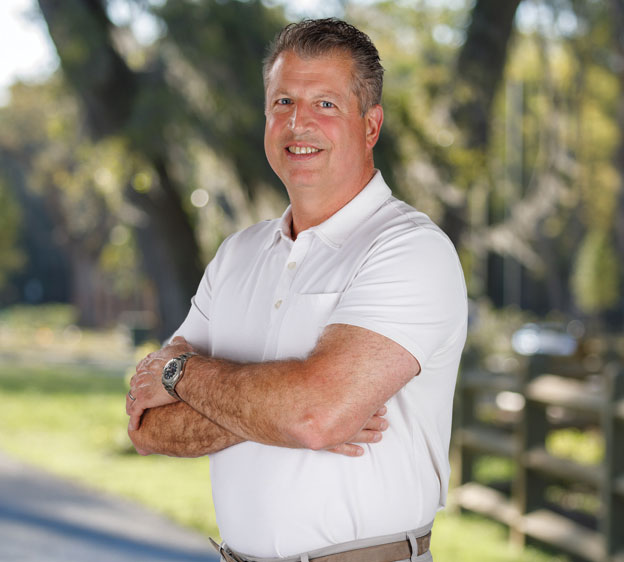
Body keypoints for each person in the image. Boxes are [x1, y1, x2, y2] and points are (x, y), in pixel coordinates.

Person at [126, 17, 467, 562]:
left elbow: (314, 416)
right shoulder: (237, 255)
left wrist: (181, 375)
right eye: (283, 102)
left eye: (326, 105)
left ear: (370, 125)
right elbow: (147, 427)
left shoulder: (411, 250)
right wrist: (281, 411)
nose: (298, 123)